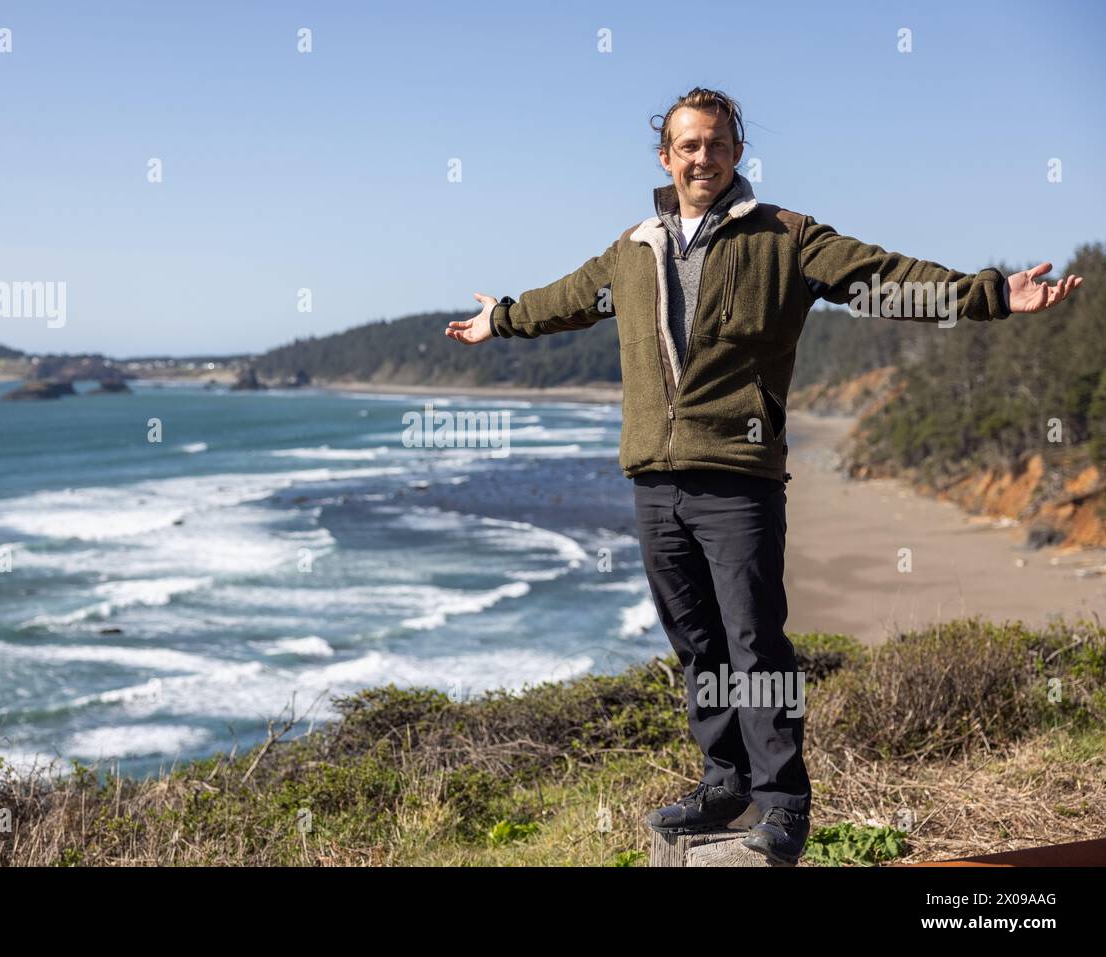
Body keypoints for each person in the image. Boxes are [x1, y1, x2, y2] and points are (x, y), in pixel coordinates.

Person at [445, 87, 1083, 865]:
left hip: (739, 476)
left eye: (716, 144)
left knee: (756, 643)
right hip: (655, 479)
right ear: (665, 157)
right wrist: (502, 316)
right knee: (697, 644)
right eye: (688, 145)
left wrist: (989, 294)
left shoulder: (786, 236)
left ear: (736, 153)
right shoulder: (634, 247)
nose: (702, 157)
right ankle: (724, 781)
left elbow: (879, 278)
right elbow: (570, 301)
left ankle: (782, 802)